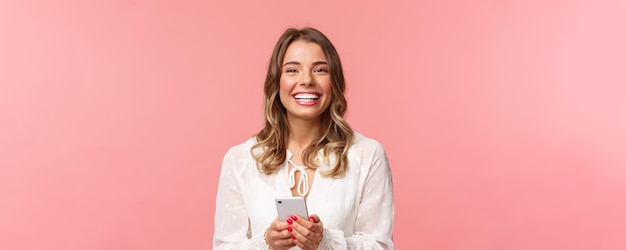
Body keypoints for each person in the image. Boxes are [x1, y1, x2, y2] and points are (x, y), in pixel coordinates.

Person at [213, 27, 394, 250]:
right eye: (292, 70)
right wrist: (266, 243)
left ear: (334, 81)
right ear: (276, 82)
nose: (307, 80)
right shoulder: (240, 160)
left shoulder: (367, 155)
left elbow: (381, 246)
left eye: (320, 70)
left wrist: (326, 241)